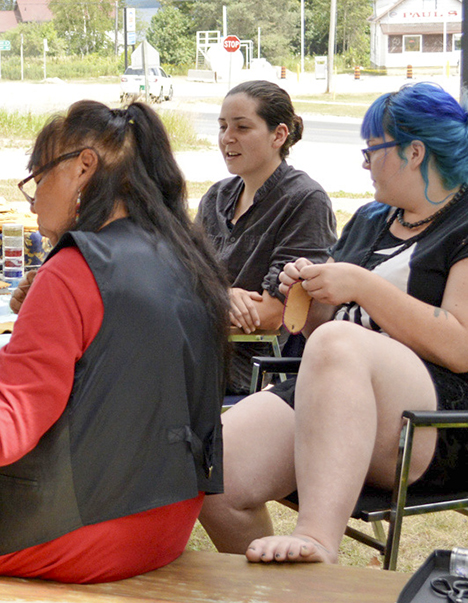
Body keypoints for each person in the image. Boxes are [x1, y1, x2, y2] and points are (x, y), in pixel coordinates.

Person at [0, 100, 229, 583]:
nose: (35, 198)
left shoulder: (73, 269)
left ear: (83, 168)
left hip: (77, 535)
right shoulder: (186, 255)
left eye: (39, 178)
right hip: (167, 522)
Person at [199, 82, 468, 564]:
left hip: (430, 421)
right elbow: (322, 330)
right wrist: (308, 291)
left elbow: (461, 344)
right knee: (211, 472)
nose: (364, 163)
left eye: (372, 150)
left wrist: (363, 286)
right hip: (332, 393)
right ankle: (304, 594)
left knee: (343, 343)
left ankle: (317, 538)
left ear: (414, 152)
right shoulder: (369, 219)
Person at [196, 80, 336, 391]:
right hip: (196, 347)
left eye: (242, 127)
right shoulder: (216, 197)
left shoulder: (305, 199)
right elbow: (181, 279)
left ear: (279, 134)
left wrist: (210, 298)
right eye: (222, 127)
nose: (227, 138)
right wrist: (224, 297)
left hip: (250, 367)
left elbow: (274, 313)